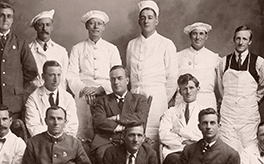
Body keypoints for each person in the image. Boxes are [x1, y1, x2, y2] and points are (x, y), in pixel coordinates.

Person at [126, 0, 178, 148]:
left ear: (157, 20)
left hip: (157, 98)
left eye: (150, 17)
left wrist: (161, 97)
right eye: (143, 17)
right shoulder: (131, 44)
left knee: (153, 139)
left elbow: (172, 79)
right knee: (134, 137)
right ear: (138, 21)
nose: (146, 20)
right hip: (134, 98)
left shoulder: (166, 44)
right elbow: (129, 73)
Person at [67, 10, 121, 140]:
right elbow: (71, 75)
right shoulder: (77, 48)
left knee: (106, 130)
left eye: (99, 24)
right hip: (83, 95)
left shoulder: (111, 49)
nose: (96, 27)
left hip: (106, 94)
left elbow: (118, 75)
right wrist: (85, 89)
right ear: (86, 26)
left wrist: (100, 89)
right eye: (92, 23)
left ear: (104, 27)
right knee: (82, 130)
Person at [218, 25, 264, 153]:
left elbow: (263, 86)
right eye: (238, 38)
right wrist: (228, 101)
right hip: (228, 113)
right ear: (234, 40)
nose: (241, 42)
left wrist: (253, 102)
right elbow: (220, 85)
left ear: (250, 41)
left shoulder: (259, 62)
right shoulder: (224, 62)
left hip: (248, 115)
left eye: (244, 39)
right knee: (227, 149)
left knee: (249, 149)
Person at [91, 65, 149, 164]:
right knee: (103, 155)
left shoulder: (139, 99)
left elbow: (141, 118)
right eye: (112, 79)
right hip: (107, 141)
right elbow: (99, 121)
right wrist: (121, 127)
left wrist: (117, 118)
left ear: (127, 80)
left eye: (119, 78)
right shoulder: (102, 100)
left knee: (144, 156)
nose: (116, 82)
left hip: (133, 141)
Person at [25, 60, 78, 137]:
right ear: (43, 76)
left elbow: (72, 127)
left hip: (64, 142)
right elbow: (34, 128)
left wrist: (60, 140)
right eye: (52, 75)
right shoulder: (33, 99)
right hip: (43, 142)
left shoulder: (68, 97)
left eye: (58, 75)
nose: (56, 79)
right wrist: (54, 137)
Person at [174, 22, 221, 109]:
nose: (198, 37)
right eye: (194, 34)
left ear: (206, 37)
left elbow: (220, 84)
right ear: (190, 36)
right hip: (183, 100)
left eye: (201, 34)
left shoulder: (214, 58)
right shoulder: (178, 56)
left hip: (207, 101)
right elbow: (172, 80)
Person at [159, 74, 203, 163]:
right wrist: (184, 142)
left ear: (198, 89)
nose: (188, 92)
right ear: (180, 91)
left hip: (197, 152)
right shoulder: (170, 112)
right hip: (175, 152)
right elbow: (163, 135)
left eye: (191, 88)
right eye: (185, 88)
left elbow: (203, 136)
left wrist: (179, 131)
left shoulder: (203, 112)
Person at [22, 106, 91, 164]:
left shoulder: (75, 143)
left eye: (59, 119)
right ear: (46, 121)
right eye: (52, 118)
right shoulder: (33, 143)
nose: (56, 123)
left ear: (65, 122)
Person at [29, 9, 68, 88]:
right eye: (41, 25)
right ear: (36, 27)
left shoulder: (61, 51)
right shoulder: (27, 50)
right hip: (35, 94)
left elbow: (64, 79)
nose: (44, 29)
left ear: (52, 27)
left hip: (57, 95)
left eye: (48, 25)